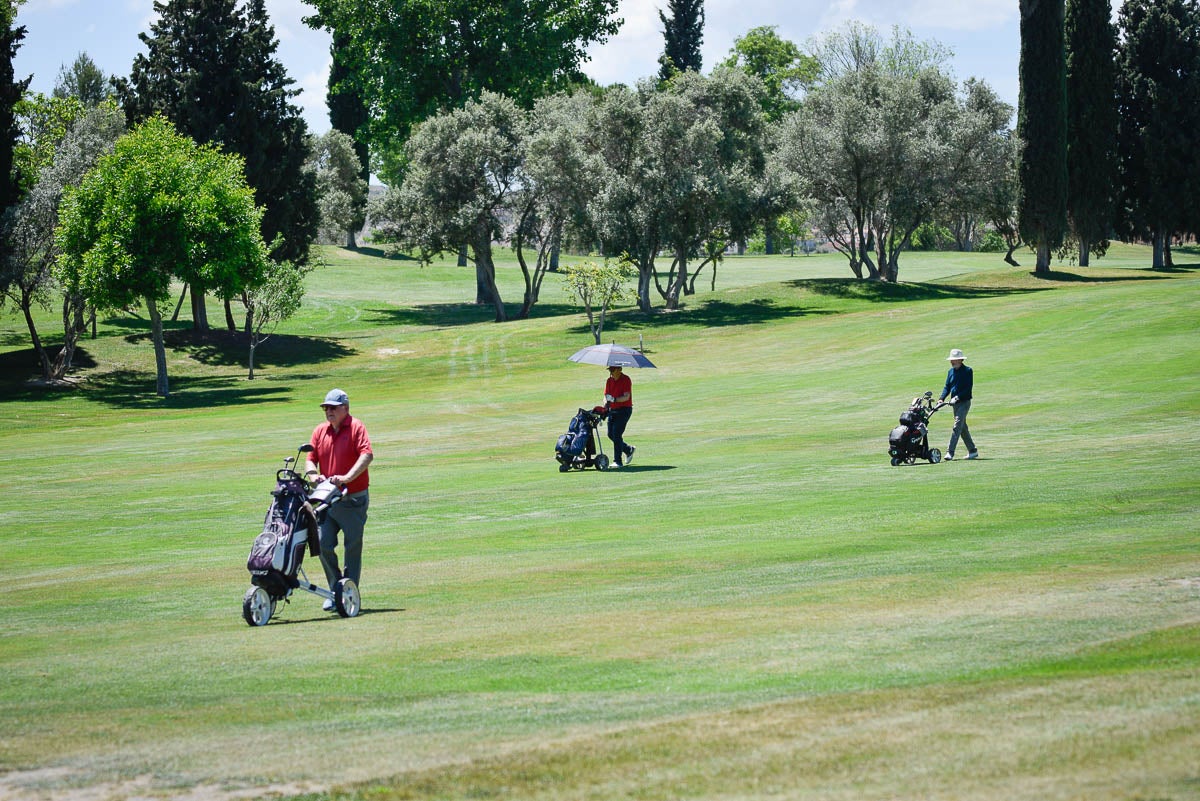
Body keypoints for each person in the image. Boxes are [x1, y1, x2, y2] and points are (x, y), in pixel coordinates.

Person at [304, 388, 374, 610]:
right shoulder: (320, 431)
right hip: (328, 500)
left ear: (345, 408)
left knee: (352, 547)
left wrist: (347, 477)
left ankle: (348, 594)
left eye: (333, 408)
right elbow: (310, 459)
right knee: (322, 543)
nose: (329, 411)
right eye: (326, 408)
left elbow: (367, 455)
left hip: (353, 499)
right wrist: (313, 476)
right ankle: (336, 590)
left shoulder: (356, 427)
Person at [938, 349, 978, 460]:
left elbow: (968, 389)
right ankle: (972, 450)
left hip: (964, 402)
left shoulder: (968, 371)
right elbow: (947, 387)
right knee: (962, 427)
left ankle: (950, 452)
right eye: (951, 360)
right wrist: (941, 398)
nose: (952, 362)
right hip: (954, 404)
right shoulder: (950, 372)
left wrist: (957, 397)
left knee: (957, 426)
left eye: (954, 360)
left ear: (960, 360)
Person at [604, 364, 636, 467]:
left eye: (613, 370)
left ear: (619, 369)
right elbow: (605, 396)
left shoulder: (626, 379)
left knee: (616, 434)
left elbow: (626, 397)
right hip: (612, 410)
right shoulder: (609, 381)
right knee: (610, 434)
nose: (611, 372)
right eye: (610, 370)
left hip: (624, 410)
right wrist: (605, 404)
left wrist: (614, 399)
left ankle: (617, 461)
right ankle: (628, 449)